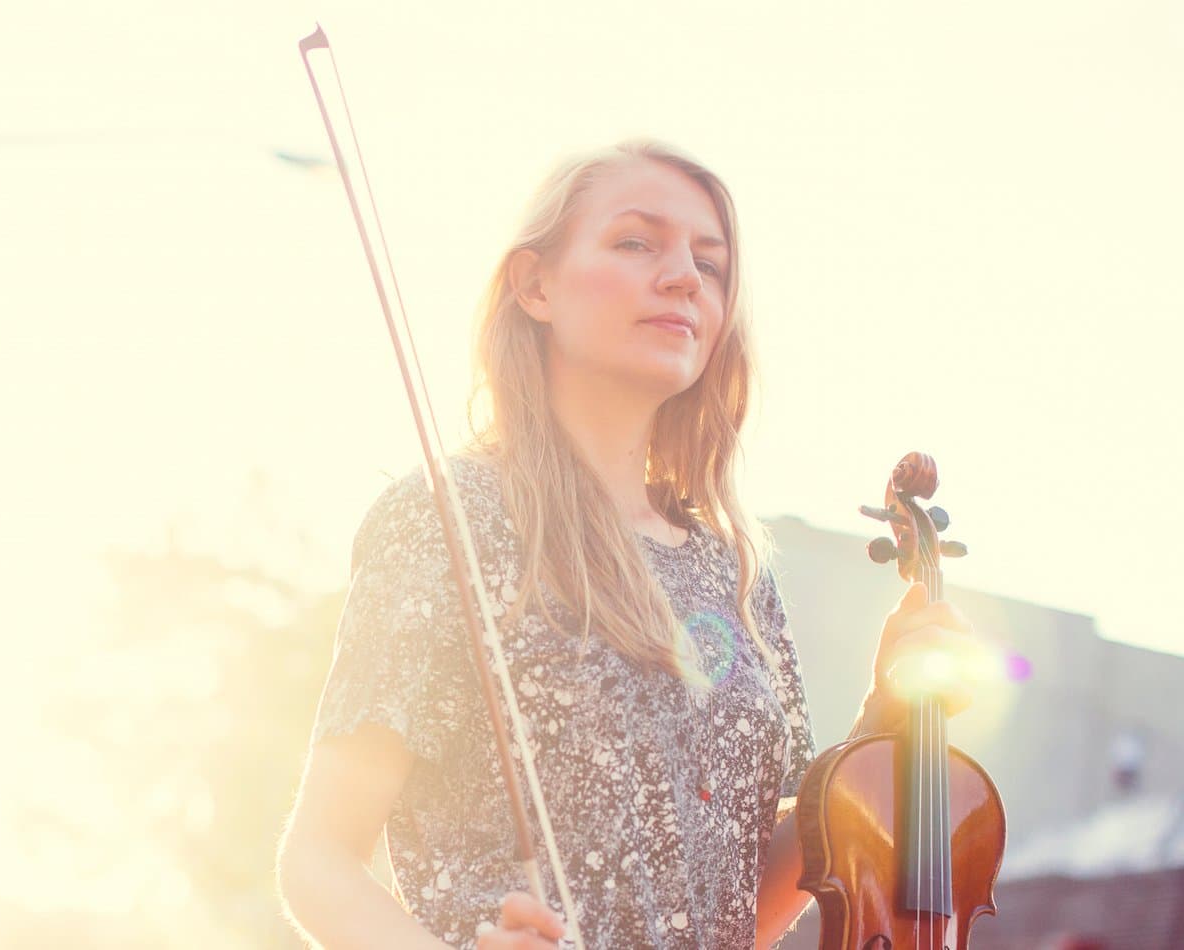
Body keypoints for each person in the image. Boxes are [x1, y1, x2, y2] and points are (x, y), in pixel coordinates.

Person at [276, 139, 981, 949]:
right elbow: (318, 860)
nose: (684, 275)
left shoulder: (732, 575)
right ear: (535, 285)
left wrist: (883, 725)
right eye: (637, 242)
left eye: (709, 265)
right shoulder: (446, 519)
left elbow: (731, 905)